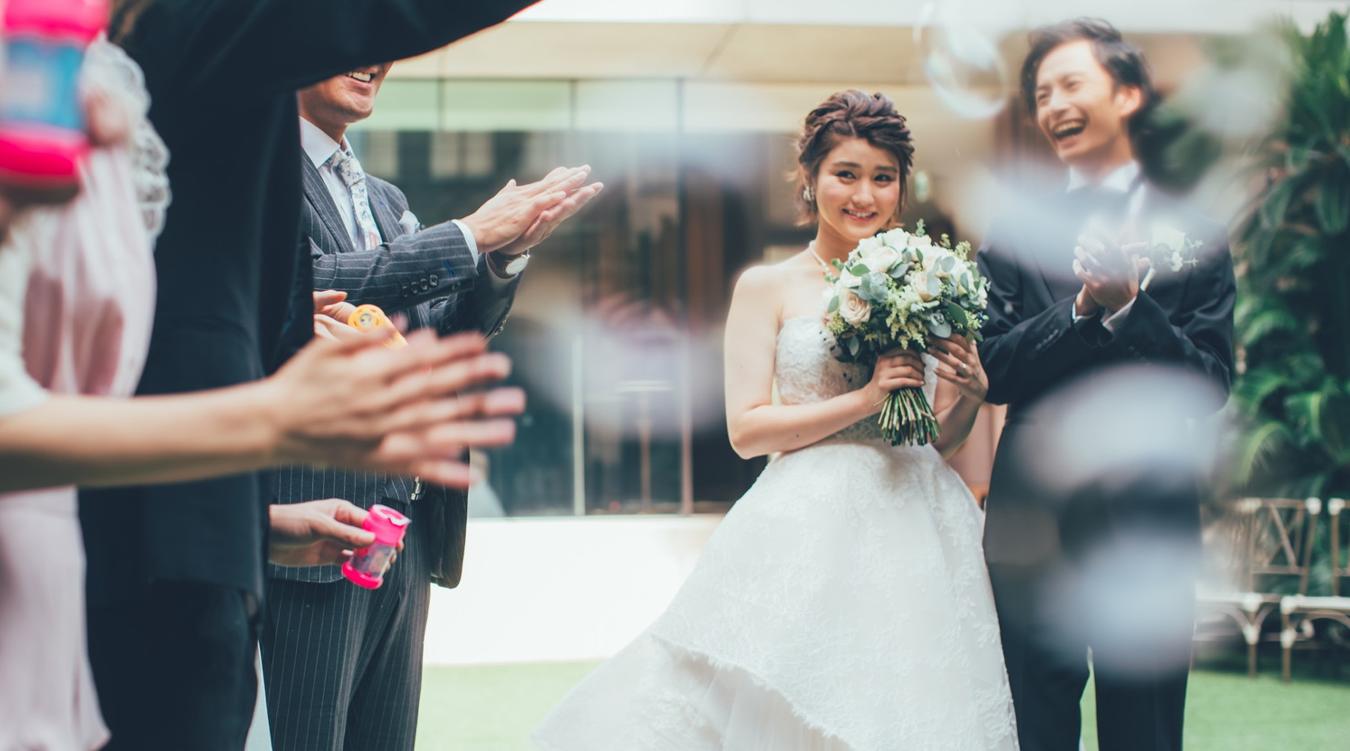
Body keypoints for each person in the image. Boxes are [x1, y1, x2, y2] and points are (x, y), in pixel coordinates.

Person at [0, 34, 522, 751]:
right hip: (137, 564)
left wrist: (265, 516)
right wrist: (271, 424)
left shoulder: (379, 196)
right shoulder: (207, 137)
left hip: (344, 535)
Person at [534, 90, 1018, 750]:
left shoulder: (929, 280)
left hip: (919, 522)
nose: (864, 195)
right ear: (809, 178)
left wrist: (972, 395)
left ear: (903, 188)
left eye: (882, 178)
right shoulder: (767, 286)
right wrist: (866, 398)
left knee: (909, 706)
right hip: (808, 527)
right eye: (845, 174)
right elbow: (747, 428)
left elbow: (929, 436)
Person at [262, 63, 602, 750]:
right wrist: (468, 233)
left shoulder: (386, 200)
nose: (374, 55)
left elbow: (438, 334)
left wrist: (501, 257)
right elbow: (301, 288)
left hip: (402, 533)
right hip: (307, 518)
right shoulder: (258, 175)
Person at [977, 19, 1235, 751]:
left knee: (1146, 731)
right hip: (1033, 522)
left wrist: (1132, 307)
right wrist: (1083, 309)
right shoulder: (1012, 233)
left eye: (1070, 84)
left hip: (1147, 521)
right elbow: (994, 369)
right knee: (1035, 725)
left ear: (1126, 95)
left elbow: (1209, 381)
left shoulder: (1196, 234)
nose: (1052, 104)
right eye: (1040, 93)